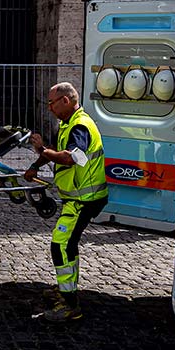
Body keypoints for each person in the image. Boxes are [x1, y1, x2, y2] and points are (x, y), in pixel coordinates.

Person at [24, 82, 107, 322]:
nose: (49, 107)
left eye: (52, 102)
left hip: (85, 199)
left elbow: (71, 158)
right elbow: (57, 151)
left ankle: (70, 304)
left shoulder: (80, 126)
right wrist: (35, 165)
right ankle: (66, 290)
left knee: (61, 245)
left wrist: (41, 150)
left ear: (66, 101)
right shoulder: (68, 123)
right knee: (67, 245)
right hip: (77, 198)